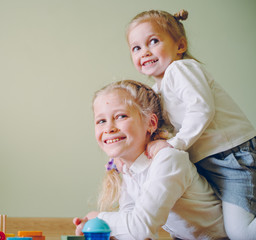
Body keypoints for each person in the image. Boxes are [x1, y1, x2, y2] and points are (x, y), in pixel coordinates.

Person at [126, 9, 256, 239]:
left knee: (241, 232)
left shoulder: (181, 69)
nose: (144, 51)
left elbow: (201, 109)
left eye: (153, 41)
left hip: (231, 155)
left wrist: (176, 144)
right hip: (208, 161)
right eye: (136, 47)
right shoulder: (158, 90)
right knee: (219, 225)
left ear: (180, 46)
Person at [73, 80, 227, 239]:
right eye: (101, 121)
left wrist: (99, 219)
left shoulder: (169, 160)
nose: (109, 128)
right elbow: (132, 223)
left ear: (151, 123)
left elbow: (141, 228)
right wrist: (97, 230)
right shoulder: (128, 169)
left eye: (121, 116)